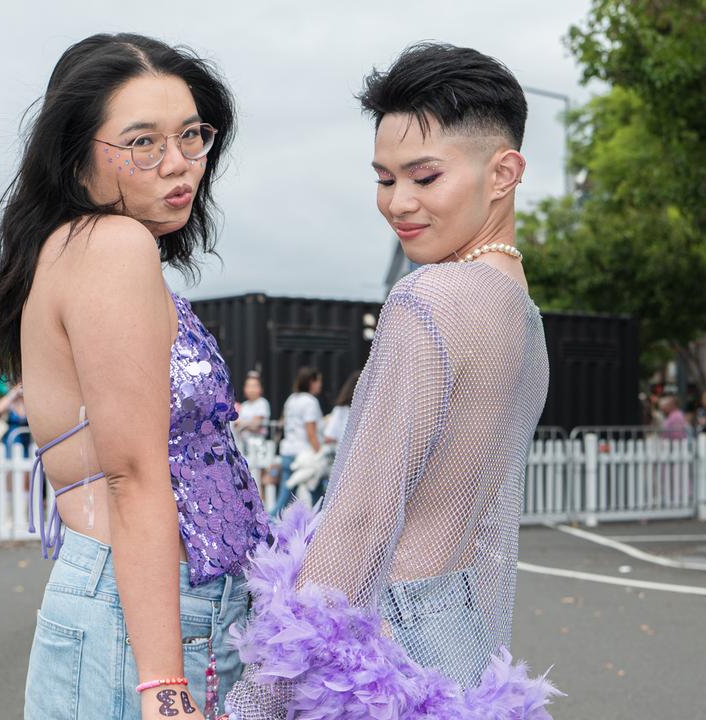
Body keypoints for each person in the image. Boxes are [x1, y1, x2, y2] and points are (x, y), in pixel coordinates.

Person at [227, 43, 557, 719]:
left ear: (504, 172)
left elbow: (363, 518)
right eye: (384, 178)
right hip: (463, 643)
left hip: (386, 648)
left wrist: (256, 698)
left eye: (425, 177)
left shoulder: (427, 299)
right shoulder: (522, 314)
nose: (398, 202)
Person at [0, 34, 265, 719]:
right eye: (143, 143)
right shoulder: (111, 245)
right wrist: (164, 687)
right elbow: (133, 473)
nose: (179, 164)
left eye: (192, 135)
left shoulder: (89, 250)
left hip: (157, 606)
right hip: (145, 623)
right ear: (77, 166)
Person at [268, 367, 324, 516]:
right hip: (304, 455)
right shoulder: (310, 402)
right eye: (318, 381)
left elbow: (283, 422)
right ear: (311, 382)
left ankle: (269, 522)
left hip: (288, 452)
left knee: (284, 497)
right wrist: (319, 453)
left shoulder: (291, 399)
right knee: (318, 493)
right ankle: (322, 522)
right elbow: (310, 431)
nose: (320, 385)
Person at [232, 371, 270, 448]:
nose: (251, 389)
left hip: (257, 445)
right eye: (248, 386)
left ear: (260, 388)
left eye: (254, 386)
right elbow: (236, 424)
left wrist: (242, 424)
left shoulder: (262, 403)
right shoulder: (244, 405)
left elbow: (255, 425)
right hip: (242, 444)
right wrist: (247, 424)